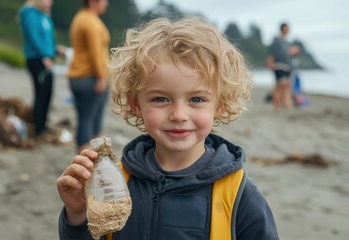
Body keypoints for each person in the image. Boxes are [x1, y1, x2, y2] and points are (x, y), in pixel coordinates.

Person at [57, 17, 280, 240]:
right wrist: (77, 216)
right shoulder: (114, 184)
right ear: (136, 104)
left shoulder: (239, 195)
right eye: (161, 99)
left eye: (197, 99)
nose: (179, 115)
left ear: (219, 105)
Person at [68, 0, 110, 153]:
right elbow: (96, 54)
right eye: (104, 1)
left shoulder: (79, 17)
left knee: (84, 117)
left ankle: (86, 154)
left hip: (77, 76)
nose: (106, 3)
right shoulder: (91, 22)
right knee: (90, 120)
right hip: (90, 77)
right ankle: (87, 157)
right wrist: (101, 77)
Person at [18, 0, 65, 137]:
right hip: (37, 60)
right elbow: (34, 38)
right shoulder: (30, 14)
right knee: (41, 94)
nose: (51, 3)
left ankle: (43, 125)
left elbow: (47, 39)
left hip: (46, 59)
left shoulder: (44, 16)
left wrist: (54, 50)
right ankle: (39, 128)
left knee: (48, 93)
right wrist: (45, 56)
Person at [267, 22, 300, 111]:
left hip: (287, 67)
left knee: (285, 87)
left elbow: (287, 54)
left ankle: (285, 105)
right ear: (283, 28)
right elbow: (271, 53)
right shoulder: (277, 41)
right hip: (279, 67)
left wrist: (294, 52)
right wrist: (270, 64)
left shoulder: (286, 42)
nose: (289, 30)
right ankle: (277, 106)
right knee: (280, 87)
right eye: (287, 28)